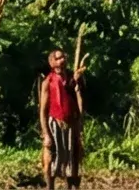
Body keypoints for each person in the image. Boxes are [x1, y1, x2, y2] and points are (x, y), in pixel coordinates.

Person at [40, 48, 85, 190]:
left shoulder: (73, 79)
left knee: (72, 158)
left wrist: (79, 125)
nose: (62, 60)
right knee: (52, 159)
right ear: (52, 62)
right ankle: (50, 187)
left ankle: (70, 187)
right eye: (58, 58)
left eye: (63, 58)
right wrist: (46, 134)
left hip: (71, 124)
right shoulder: (48, 82)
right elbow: (43, 111)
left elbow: (79, 105)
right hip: (55, 124)